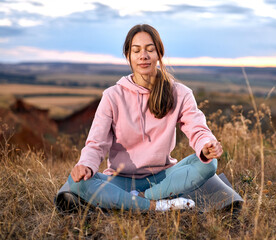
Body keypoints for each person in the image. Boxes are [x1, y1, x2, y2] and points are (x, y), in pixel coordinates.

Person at [68, 24, 223, 211]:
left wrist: (206, 145)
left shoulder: (180, 93)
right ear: (128, 56)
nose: (143, 56)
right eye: (136, 50)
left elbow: (197, 128)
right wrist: (85, 165)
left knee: (209, 163)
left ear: (159, 54)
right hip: (120, 179)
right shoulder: (112, 96)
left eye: (150, 49)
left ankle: (139, 200)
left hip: (164, 177)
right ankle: (155, 206)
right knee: (76, 182)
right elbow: (96, 143)